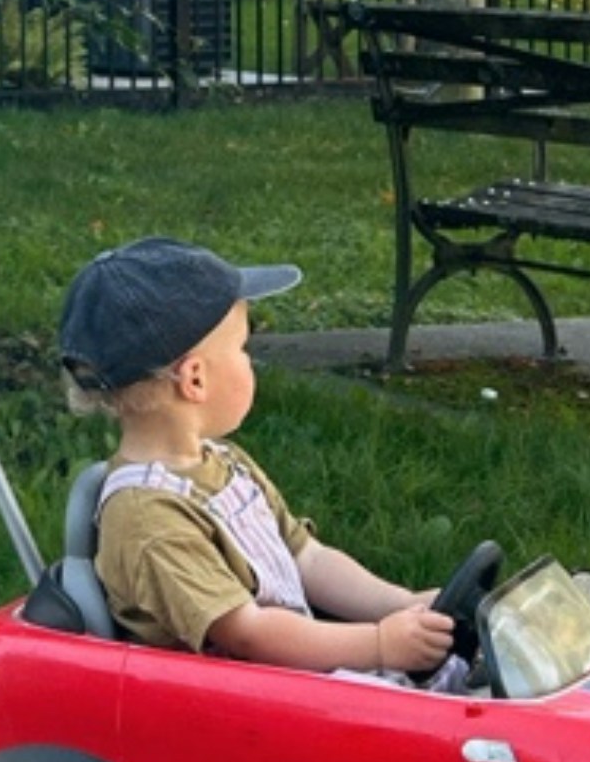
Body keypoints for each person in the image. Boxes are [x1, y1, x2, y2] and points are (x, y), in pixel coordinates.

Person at [59, 241, 462, 682]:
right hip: (241, 707)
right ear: (195, 379)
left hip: (289, 677)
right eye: (243, 348)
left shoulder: (222, 461)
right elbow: (248, 633)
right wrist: (380, 643)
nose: (251, 361)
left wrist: (401, 605)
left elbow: (306, 558)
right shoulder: (147, 520)